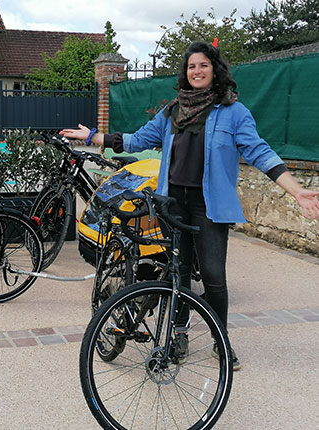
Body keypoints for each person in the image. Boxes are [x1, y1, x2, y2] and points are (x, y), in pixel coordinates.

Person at [60, 41, 319, 371]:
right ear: (186, 73)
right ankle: (178, 335)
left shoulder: (233, 112)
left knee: (212, 276)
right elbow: (138, 140)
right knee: (178, 275)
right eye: (191, 66)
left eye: (203, 66)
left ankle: (220, 340)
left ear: (215, 70)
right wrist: (95, 136)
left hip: (209, 206)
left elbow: (261, 153)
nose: (197, 71)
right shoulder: (173, 111)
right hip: (173, 204)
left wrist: (296, 190)